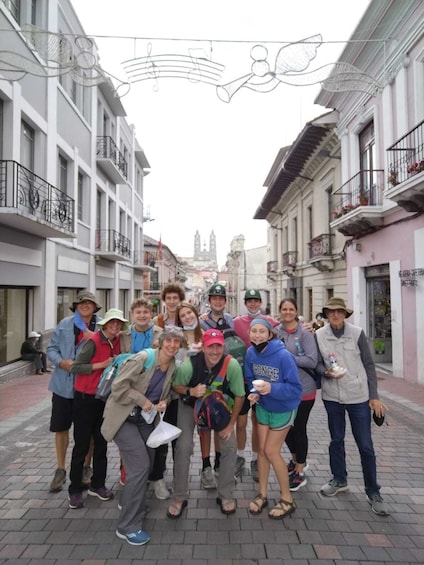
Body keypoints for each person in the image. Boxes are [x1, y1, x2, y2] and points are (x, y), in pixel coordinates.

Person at [101, 326, 185, 546]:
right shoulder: (143, 358)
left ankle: (131, 501)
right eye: (169, 341)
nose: (172, 345)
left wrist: (165, 400)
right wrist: (142, 400)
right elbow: (119, 387)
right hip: (122, 418)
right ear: (161, 341)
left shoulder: (172, 364)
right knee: (139, 467)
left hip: (144, 420)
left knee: (145, 466)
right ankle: (127, 526)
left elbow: (165, 391)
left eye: (177, 342)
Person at [315, 297, 390, 516]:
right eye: (331, 312)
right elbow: (317, 362)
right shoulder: (319, 335)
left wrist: (374, 396)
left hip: (358, 396)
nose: (335, 315)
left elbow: (368, 364)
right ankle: (339, 479)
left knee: (365, 445)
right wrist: (324, 372)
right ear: (327, 314)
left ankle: (373, 491)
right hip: (332, 396)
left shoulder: (357, 333)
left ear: (345, 314)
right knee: (336, 440)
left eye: (339, 311)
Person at [167, 328, 245, 518]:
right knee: (183, 447)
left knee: (229, 445)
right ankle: (179, 497)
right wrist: (191, 392)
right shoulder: (190, 365)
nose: (215, 352)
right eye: (211, 347)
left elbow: (240, 396)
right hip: (190, 405)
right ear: (203, 347)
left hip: (219, 405)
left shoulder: (231, 364)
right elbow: (175, 385)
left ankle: (225, 495)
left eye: (218, 346)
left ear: (223, 347)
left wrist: (230, 425)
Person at [67, 308, 129, 509]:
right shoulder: (93, 341)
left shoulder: (118, 341)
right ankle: (75, 490)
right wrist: (101, 364)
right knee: (81, 446)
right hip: (85, 398)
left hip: (104, 399)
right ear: (105, 324)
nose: (115, 326)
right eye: (112, 322)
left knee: (102, 444)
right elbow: (76, 366)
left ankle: (98, 484)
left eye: (118, 323)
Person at [245, 318, 302, 519]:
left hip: (283, 409)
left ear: (270, 334)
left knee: (271, 451)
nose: (257, 335)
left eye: (262, 331)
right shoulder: (251, 353)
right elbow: (250, 378)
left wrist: (272, 388)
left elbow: (296, 389)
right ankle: (262, 494)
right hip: (263, 407)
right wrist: (254, 392)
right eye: (254, 331)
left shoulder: (284, 356)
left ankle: (287, 499)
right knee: (261, 450)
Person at [46, 290, 101, 493]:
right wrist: (61, 362)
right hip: (63, 386)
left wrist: (93, 337)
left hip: (89, 388)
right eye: (81, 302)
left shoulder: (102, 326)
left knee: (88, 432)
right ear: (76, 306)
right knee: (61, 428)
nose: (85, 305)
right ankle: (60, 469)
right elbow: (51, 348)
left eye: (89, 302)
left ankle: (86, 468)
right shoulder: (65, 324)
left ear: (95, 306)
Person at [233, 289, 279, 481]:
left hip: (261, 380)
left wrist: (309, 326)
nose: (252, 304)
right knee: (241, 422)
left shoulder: (269, 321)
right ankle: (240, 455)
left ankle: (254, 458)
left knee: (257, 421)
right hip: (241, 379)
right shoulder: (236, 322)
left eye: (256, 301)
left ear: (261, 302)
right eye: (249, 301)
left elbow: (285, 327)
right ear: (245, 303)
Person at [275, 298, 319, 491]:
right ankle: (295, 459)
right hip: (284, 390)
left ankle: (300, 470)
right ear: (280, 311)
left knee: (299, 428)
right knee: (286, 429)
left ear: (296, 311)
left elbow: (312, 361)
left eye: (291, 309)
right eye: (284, 309)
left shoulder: (306, 333)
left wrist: (287, 356)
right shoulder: (276, 331)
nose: (287, 312)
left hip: (304, 389)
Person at [118, 297, 163, 487]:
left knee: (151, 434)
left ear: (151, 314)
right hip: (129, 390)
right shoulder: (124, 336)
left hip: (153, 390)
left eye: (146, 312)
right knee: (129, 436)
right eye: (138, 312)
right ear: (132, 315)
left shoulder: (160, 333)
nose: (142, 315)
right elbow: (119, 361)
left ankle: (150, 474)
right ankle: (126, 470)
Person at [149, 282, 186, 499]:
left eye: (175, 298)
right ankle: (158, 478)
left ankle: (179, 479)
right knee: (162, 434)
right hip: (162, 387)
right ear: (164, 300)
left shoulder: (188, 319)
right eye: (169, 298)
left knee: (179, 438)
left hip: (182, 386)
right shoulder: (157, 322)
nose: (172, 302)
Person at [176, 301, 217, 490]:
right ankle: (181, 480)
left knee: (205, 431)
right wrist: (184, 355)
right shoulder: (176, 337)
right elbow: (170, 363)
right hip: (183, 393)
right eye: (183, 315)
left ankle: (206, 467)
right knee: (184, 440)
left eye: (189, 313)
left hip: (205, 392)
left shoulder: (205, 333)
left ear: (196, 314)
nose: (187, 317)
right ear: (179, 319)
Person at [199, 282, 235, 476]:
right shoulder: (201, 321)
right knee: (204, 424)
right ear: (210, 300)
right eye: (214, 298)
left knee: (220, 420)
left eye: (221, 299)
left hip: (225, 376)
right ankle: (205, 465)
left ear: (225, 301)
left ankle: (219, 462)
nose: (218, 301)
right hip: (205, 376)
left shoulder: (231, 319)